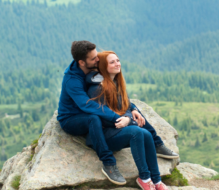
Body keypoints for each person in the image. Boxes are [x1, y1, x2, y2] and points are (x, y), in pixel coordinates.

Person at [57, 41, 177, 189]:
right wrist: (117, 117)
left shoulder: (93, 72)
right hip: (72, 118)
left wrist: (132, 108)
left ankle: (156, 147)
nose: (97, 60)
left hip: (95, 114)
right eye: (94, 58)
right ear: (82, 62)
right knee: (93, 118)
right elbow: (87, 104)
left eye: (97, 56)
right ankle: (108, 163)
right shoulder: (73, 80)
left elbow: (116, 98)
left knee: (137, 120)